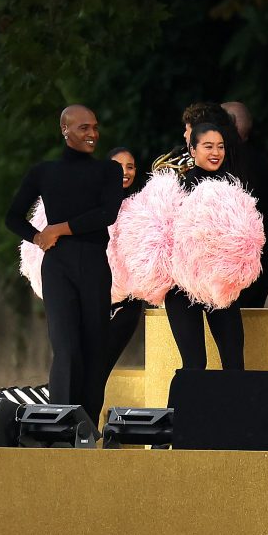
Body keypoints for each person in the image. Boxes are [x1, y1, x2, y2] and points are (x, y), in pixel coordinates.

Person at [5, 105, 124, 427]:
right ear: (65, 130)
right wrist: (37, 237)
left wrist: (58, 228)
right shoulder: (43, 172)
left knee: (95, 347)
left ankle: (86, 426)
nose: (93, 134)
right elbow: (12, 217)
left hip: (94, 264)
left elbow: (106, 215)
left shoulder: (108, 171)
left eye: (95, 127)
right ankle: (59, 424)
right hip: (58, 266)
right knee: (67, 346)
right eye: (84, 128)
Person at [163, 124, 245, 370]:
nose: (215, 152)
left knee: (233, 360)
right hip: (181, 288)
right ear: (192, 149)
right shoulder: (176, 189)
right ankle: (185, 410)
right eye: (208, 146)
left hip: (219, 284)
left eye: (220, 147)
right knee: (194, 363)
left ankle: (233, 410)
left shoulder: (233, 187)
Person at [222, 101, 268, 309]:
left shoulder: (229, 164)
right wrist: (262, 248)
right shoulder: (257, 161)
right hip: (258, 265)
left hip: (233, 267)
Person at [101, 147, 144, 381]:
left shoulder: (142, 208)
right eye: (119, 166)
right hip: (93, 295)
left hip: (128, 302)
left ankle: (89, 417)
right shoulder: (91, 203)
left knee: (102, 368)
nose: (125, 172)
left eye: (131, 166)